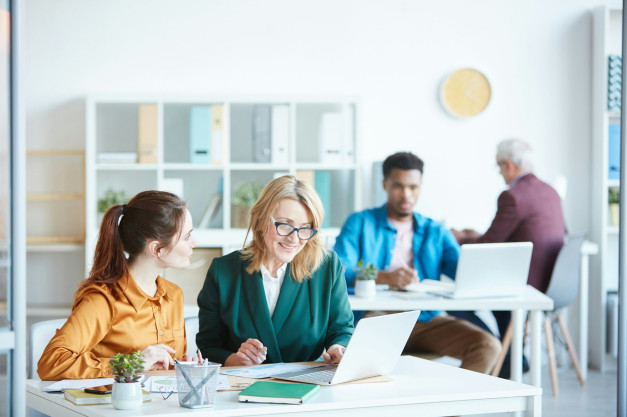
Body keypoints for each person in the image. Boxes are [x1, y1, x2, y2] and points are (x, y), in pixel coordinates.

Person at [334, 152, 501, 374]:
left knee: (488, 346)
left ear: (420, 186)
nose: (406, 194)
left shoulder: (436, 231)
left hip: (423, 321)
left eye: (413, 187)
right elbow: (338, 270)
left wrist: (487, 264)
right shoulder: (360, 222)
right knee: (367, 372)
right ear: (385, 184)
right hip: (376, 320)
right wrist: (385, 277)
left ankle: (449, 411)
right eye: (398, 186)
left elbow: (463, 272)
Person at [37, 191, 199, 380]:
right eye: (187, 237)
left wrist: (186, 365)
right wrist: (131, 363)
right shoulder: (103, 300)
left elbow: (167, 365)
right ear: (157, 249)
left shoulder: (174, 295)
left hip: (162, 406)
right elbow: (52, 363)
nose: (195, 243)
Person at [196, 175, 354, 366]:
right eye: (285, 226)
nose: (294, 239)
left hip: (307, 384)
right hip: (244, 384)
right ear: (261, 220)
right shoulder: (223, 271)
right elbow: (208, 345)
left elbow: (341, 329)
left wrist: (337, 348)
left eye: (305, 228)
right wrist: (235, 359)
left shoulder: (327, 266)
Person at [450, 138, 566, 377]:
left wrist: (458, 237)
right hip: (551, 283)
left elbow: (487, 245)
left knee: (456, 299)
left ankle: (500, 352)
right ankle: (512, 356)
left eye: (499, 167)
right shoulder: (550, 191)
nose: (500, 173)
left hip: (521, 286)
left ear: (509, 165)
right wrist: (477, 235)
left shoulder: (512, 196)